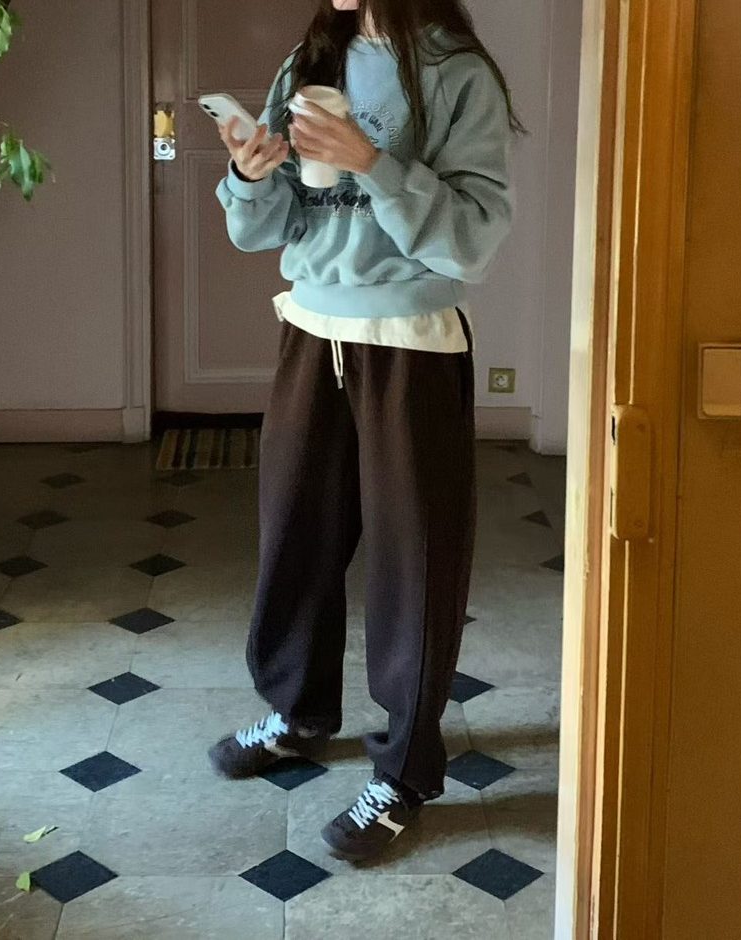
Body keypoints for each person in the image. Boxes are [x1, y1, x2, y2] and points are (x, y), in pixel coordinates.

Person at [208, 0, 518, 861]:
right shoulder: (312, 58)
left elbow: (474, 240)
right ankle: (297, 712)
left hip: (411, 340)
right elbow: (265, 228)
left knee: (413, 563)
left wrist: (373, 163)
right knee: (294, 535)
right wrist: (249, 174)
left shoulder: (458, 73)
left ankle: (406, 770)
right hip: (312, 326)